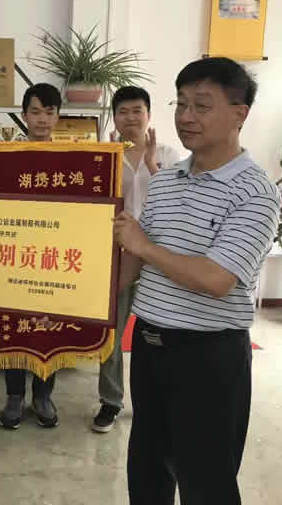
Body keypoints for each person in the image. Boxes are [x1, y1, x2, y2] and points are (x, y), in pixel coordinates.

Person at [113, 57, 281, 505]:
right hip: (149, 348)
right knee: (147, 474)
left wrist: (143, 245)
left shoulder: (255, 192)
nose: (186, 116)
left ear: (240, 113)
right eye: (181, 103)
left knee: (207, 484)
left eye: (201, 106)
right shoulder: (165, 182)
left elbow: (216, 278)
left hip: (208, 359)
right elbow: (133, 267)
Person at [92, 86, 182, 433]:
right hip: (116, 253)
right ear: (114, 118)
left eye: (137, 111)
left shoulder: (169, 154)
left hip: (159, 253)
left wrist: (152, 165)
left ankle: (154, 403)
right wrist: (105, 165)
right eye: (123, 112)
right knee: (112, 329)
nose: (130, 118)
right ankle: (110, 400)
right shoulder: (106, 155)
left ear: (149, 114)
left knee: (156, 332)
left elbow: (177, 201)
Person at [0, 83, 61, 430]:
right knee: (15, 325)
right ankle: (14, 395)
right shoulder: (7, 156)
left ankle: (43, 394)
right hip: (16, 255)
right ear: (23, 116)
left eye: (49, 112)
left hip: (54, 257)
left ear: (58, 117)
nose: (42, 119)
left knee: (48, 328)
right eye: (35, 112)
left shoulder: (72, 160)